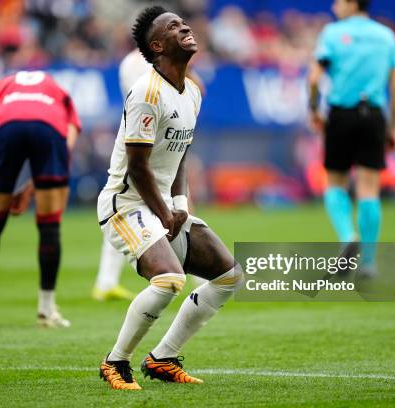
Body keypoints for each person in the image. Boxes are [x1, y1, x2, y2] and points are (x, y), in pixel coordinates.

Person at [96, 6, 242, 390]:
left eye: (184, 21)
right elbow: (138, 166)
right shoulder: (146, 90)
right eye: (174, 26)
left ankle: (163, 357)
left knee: (228, 276)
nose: (186, 27)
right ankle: (115, 362)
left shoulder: (192, 91)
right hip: (125, 205)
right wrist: (164, 212)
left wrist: (179, 205)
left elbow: (179, 156)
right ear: (158, 46)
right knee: (169, 280)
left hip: (162, 204)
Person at [0, 70, 80, 329]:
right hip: (49, 128)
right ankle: (46, 309)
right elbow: (67, 140)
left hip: (5, 128)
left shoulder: (1, 89)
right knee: (49, 225)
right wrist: (36, 187)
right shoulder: (57, 91)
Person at [92, 48, 206, 301]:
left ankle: (106, 280)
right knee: (176, 203)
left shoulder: (130, 62)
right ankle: (200, 275)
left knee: (124, 210)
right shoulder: (149, 69)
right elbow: (191, 88)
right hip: (155, 142)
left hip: (150, 137)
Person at [308, 0, 395, 276]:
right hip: (374, 114)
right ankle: (369, 264)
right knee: (369, 189)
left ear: (352, 3)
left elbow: (314, 79)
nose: (334, 5)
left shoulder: (332, 33)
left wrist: (314, 110)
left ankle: (348, 236)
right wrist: (394, 127)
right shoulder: (386, 36)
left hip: (341, 115)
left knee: (335, 182)